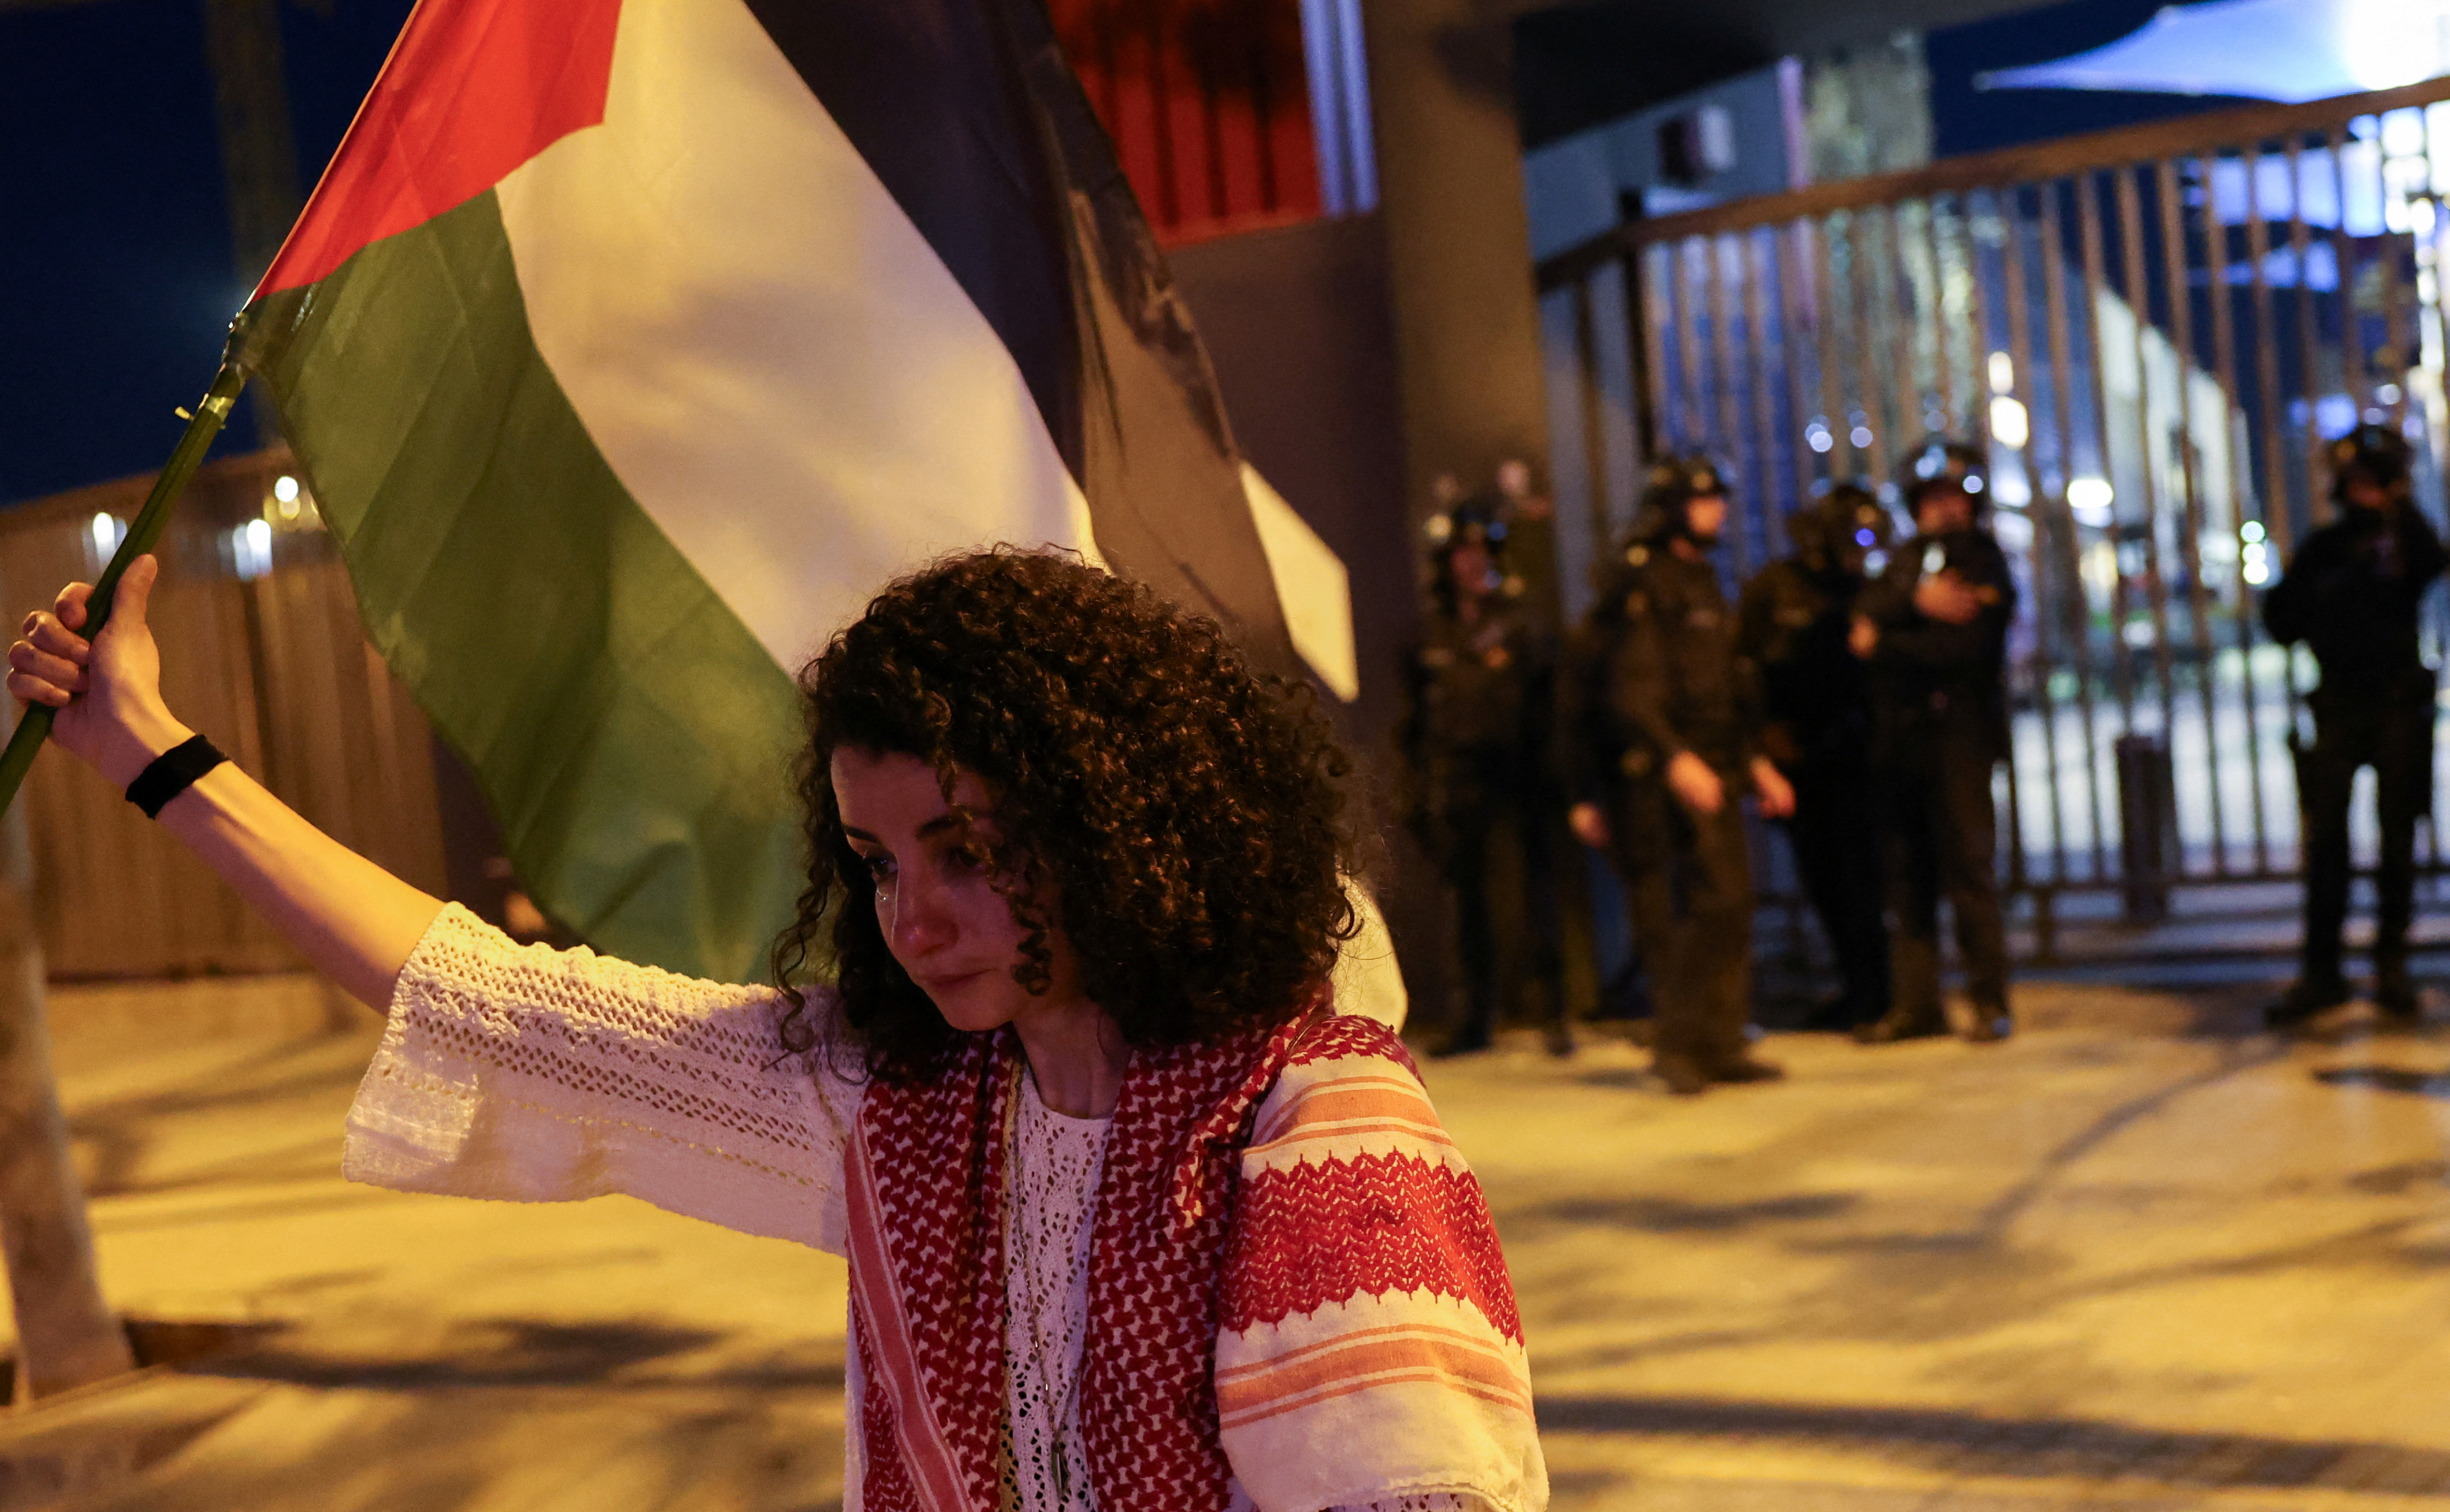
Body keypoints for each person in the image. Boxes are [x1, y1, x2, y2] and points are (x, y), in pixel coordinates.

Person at [8, 549, 1546, 1511]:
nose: (913, 917)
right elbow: (514, 1010)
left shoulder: (1314, 1129)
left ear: (1118, 827)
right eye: (877, 864)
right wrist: (147, 751)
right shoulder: (916, 1107)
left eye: (966, 847)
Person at [1564, 454, 1794, 1095]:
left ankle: (1721, 1041)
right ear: (1671, 509)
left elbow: (1722, 687)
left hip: (1720, 765)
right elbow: (1632, 691)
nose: (1717, 509)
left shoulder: (1704, 581)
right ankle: (1677, 1041)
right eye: (1703, 499)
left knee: (1733, 905)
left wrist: (1756, 761)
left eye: (1719, 498)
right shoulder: (1649, 583)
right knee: (1705, 904)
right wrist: (1675, 758)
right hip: (1674, 774)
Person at [2263, 424, 2446, 1026]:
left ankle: (2390, 964)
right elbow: (2281, 619)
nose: (2366, 491)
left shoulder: (2405, 539)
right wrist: (2335, 584)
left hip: (2396, 705)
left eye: (2377, 479)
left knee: (2398, 840)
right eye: (2358, 479)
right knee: (2326, 847)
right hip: (2339, 706)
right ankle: (2323, 971)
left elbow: (2430, 562)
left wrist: (2399, 505)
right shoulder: (2325, 546)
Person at [1850, 441, 2017, 1045]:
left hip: (1960, 738)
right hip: (1903, 742)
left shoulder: (1982, 561)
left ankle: (1989, 999)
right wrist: (1915, 604)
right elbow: (1862, 616)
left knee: (1969, 869)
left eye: (1955, 497)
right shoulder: (1902, 563)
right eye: (1933, 498)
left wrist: (1889, 641)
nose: (1945, 508)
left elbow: (1965, 647)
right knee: (1907, 877)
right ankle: (1916, 1004)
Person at [1399, 494, 1571, 1057]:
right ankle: (1473, 1017)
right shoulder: (1430, 629)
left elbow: (1548, 706)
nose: (1472, 563)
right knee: (1466, 904)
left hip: (1518, 778)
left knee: (1532, 894)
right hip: (1458, 780)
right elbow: (1412, 720)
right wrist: (1417, 787)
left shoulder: (1519, 622)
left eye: (1481, 552)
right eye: (1462, 553)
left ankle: (1554, 1012)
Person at [1736, 482, 1893, 1032]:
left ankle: (1875, 992)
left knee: (1864, 882)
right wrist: (1759, 747)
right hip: (1799, 757)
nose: (1860, 551)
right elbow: (1745, 668)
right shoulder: (1775, 589)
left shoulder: (1865, 588)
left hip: (1858, 757)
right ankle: (1857, 989)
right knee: (1826, 880)